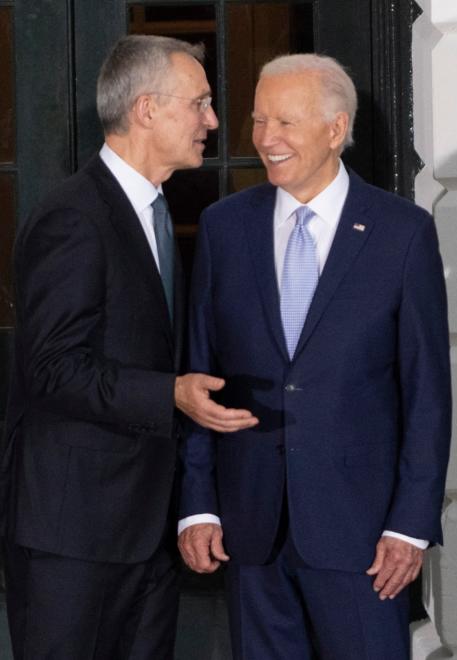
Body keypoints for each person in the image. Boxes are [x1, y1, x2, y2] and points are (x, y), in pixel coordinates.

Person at [176, 53, 451, 658]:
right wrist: (197, 506)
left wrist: (410, 524)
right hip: (250, 531)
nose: (265, 140)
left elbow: (427, 392)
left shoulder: (401, 232)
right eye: (258, 120)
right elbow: (199, 372)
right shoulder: (224, 227)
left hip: (365, 539)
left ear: (335, 129)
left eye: (286, 123)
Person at [0, 35, 258, 659]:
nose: (212, 121)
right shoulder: (74, 217)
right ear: (147, 109)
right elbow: (52, 369)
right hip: (75, 536)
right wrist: (170, 393)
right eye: (199, 103)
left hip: (145, 533)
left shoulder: (158, 211)